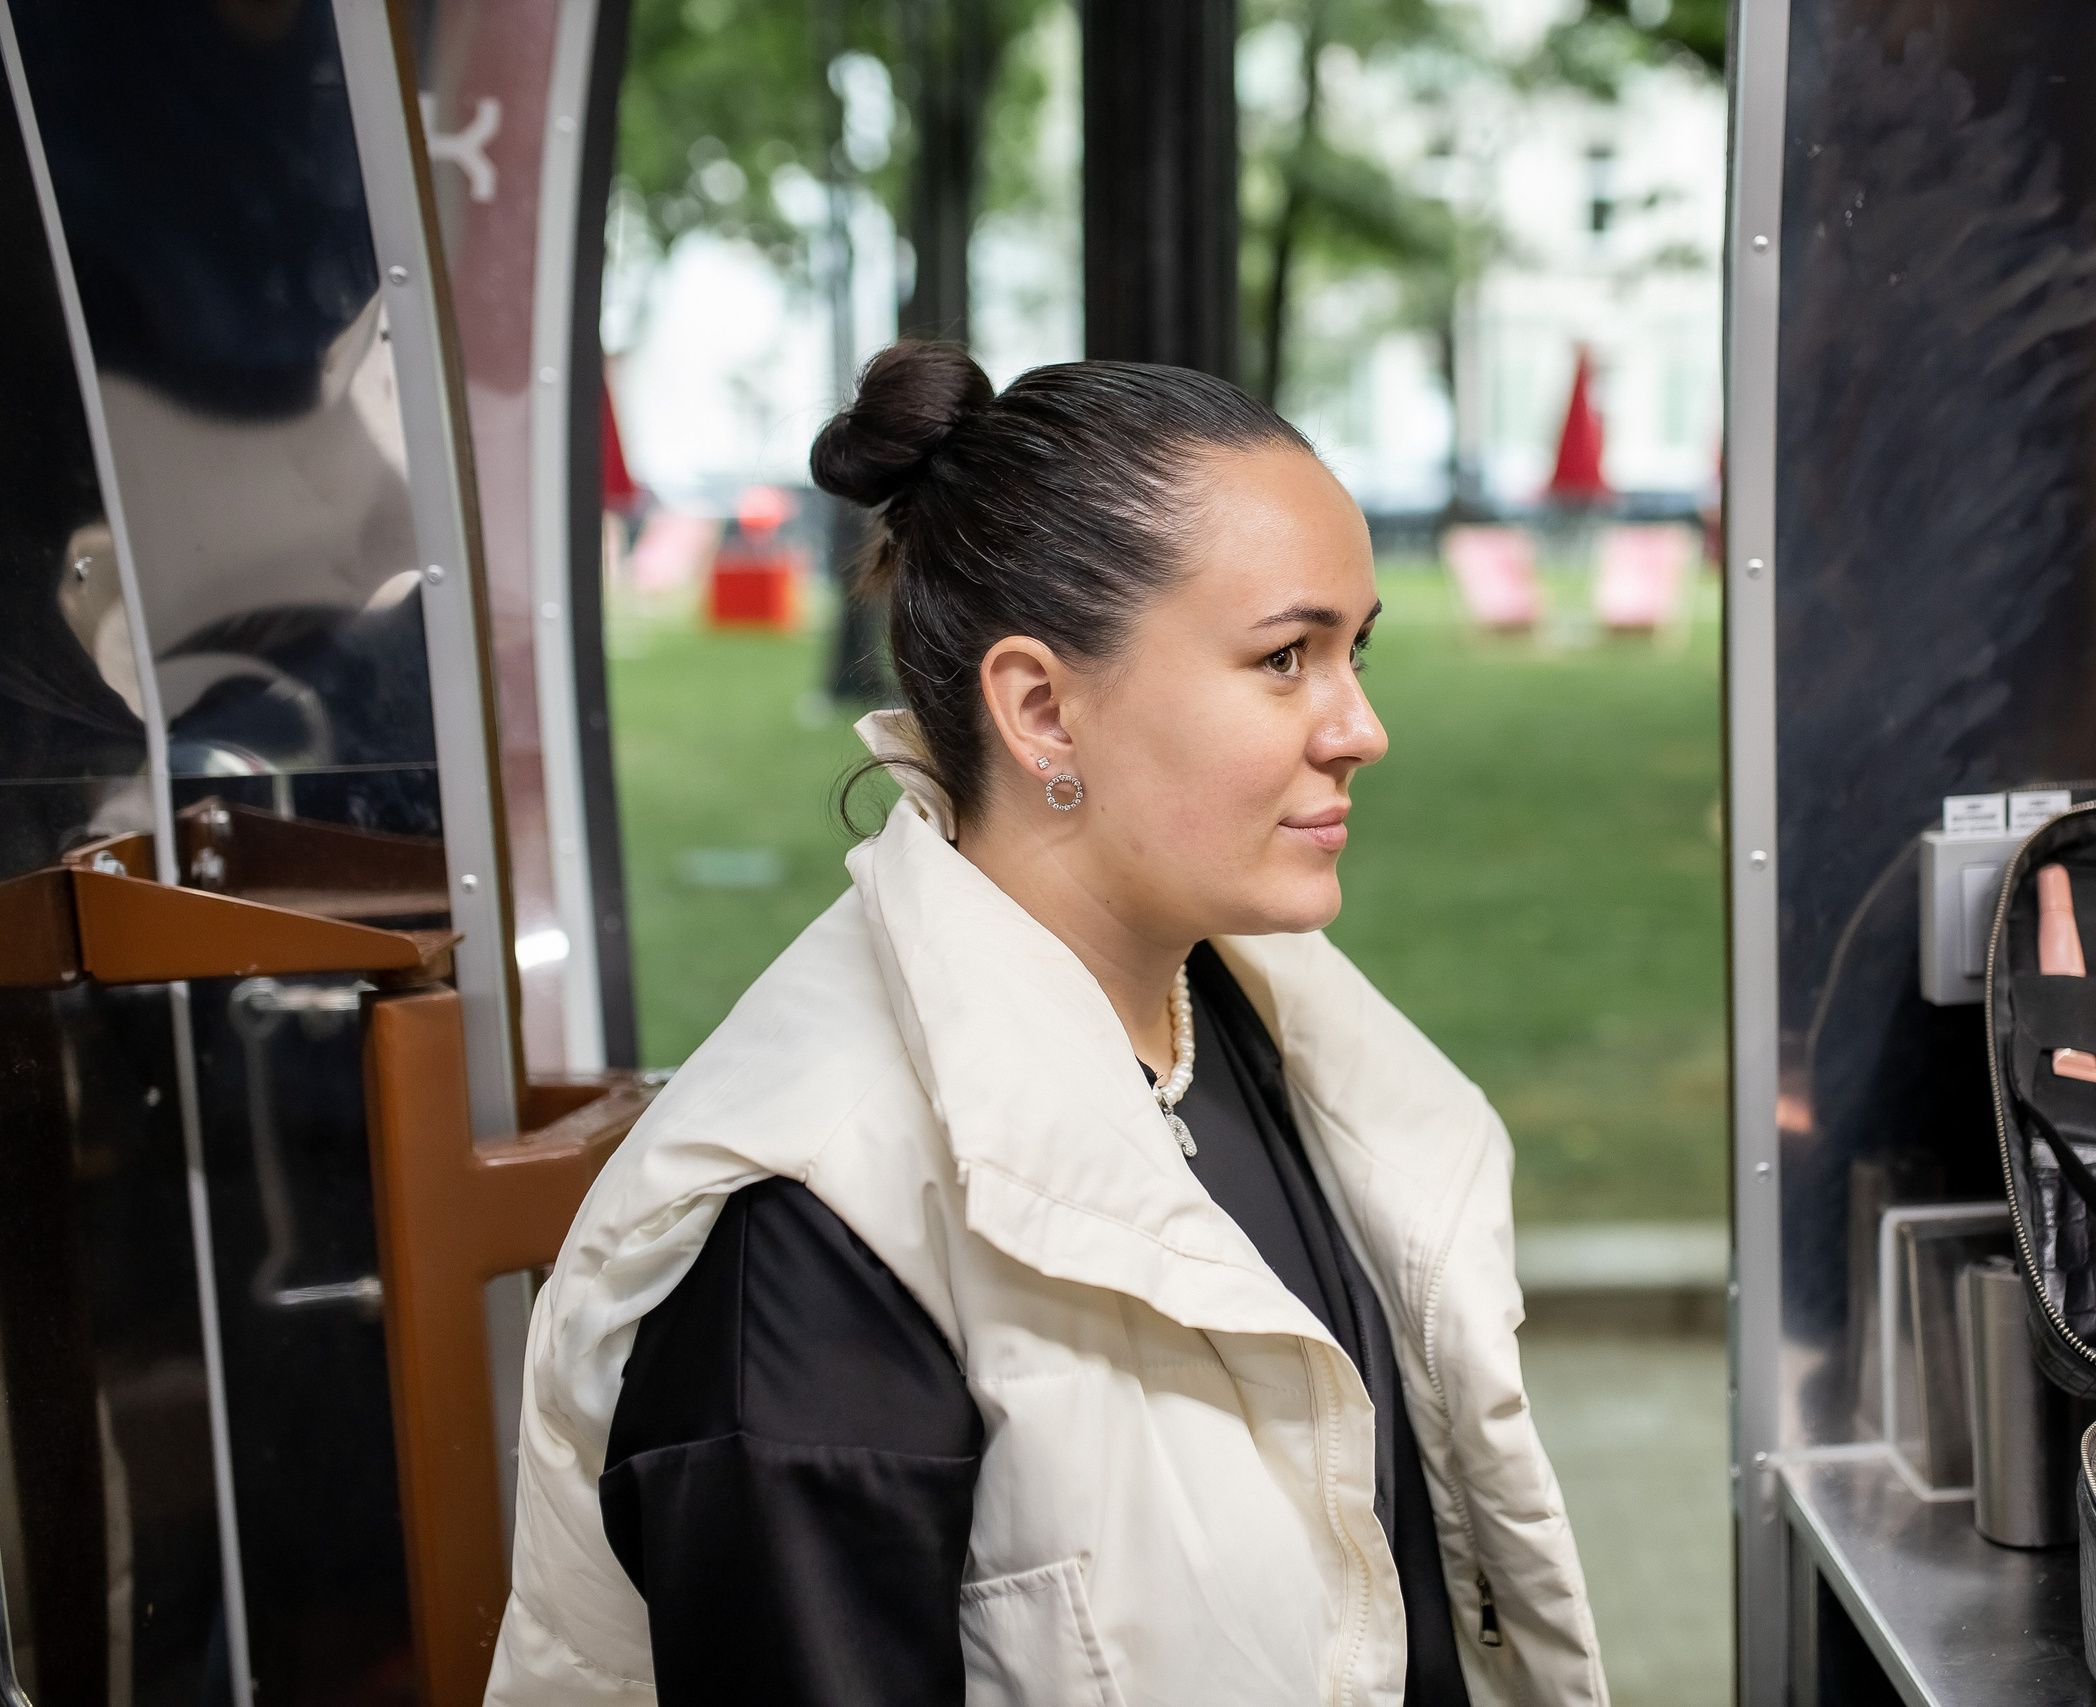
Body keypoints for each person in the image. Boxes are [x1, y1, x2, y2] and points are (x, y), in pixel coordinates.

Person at [488, 343, 1605, 1706]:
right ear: (1040, 711)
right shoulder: (806, 1250)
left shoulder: (1259, 1038)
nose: (1359, 727)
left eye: (1354, 653)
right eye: (1285, 658)